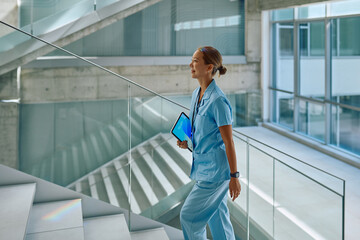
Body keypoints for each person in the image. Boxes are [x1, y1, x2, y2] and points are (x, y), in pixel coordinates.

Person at [177, 46, 241, 240]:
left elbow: (228, 141)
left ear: (208, 67)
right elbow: (202, 131)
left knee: (188, 217)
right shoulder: (197, 94)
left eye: (195, 60)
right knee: (217, 218)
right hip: (204, 167)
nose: (191, 64)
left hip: (215, 173)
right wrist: (187, 142)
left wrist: (234, 176)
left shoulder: (218, 101)